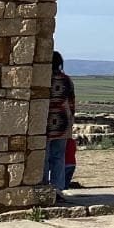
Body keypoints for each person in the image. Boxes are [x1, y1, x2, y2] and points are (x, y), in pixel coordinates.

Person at [43, 51, 75, 194]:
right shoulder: (67, 80)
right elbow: (72, 102)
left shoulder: (44, 79)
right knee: (59, 156)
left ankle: (44, 185)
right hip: (63, 122)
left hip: (46, 120)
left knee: (44, 156)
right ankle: (58, 188)